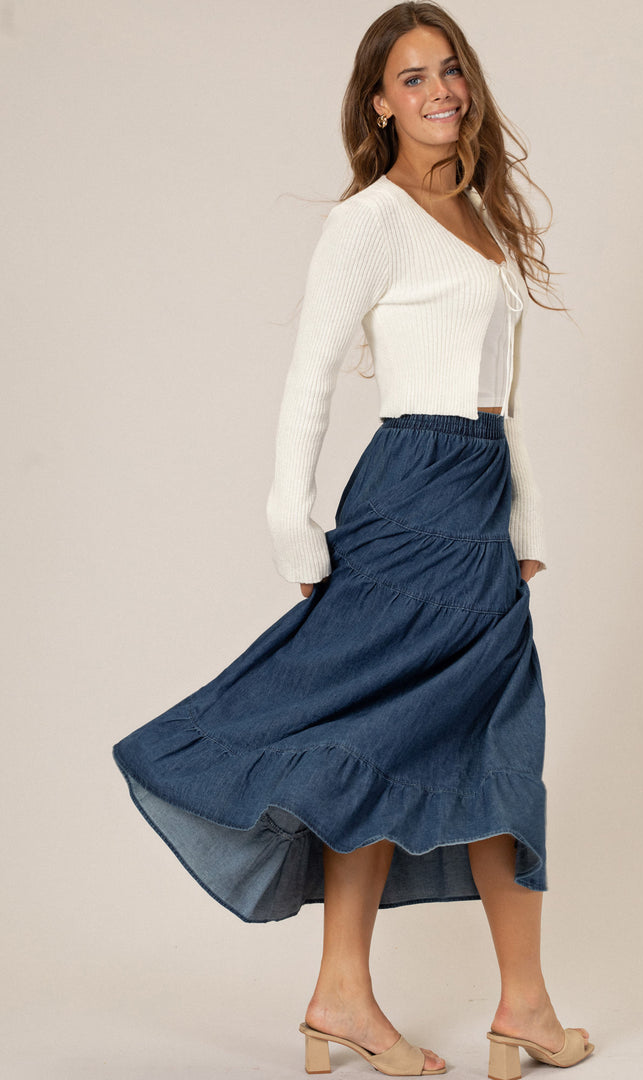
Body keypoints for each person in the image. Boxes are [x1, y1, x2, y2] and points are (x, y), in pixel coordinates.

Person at [112, 2, 595, 1077]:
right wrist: (294, 527)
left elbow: (500, 396)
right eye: (412, 77)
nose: (440, 91)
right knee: (386, 737)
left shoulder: (480, 213)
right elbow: (312, 376)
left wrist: (525, 520)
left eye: (449, 69)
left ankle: (467, 1003)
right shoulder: (370, 220)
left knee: (467, 743)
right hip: (410, 491)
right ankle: (409, 999)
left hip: (476, 494)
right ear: (379, 104)